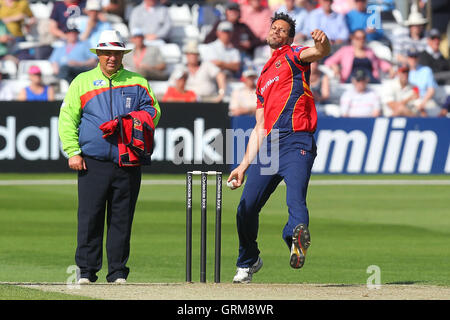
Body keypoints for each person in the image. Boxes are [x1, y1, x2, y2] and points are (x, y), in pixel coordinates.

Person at [227, 12, 331, 283]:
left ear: (289, 37)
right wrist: (242, 165)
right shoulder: (262, 78)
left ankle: (294, 238)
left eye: (282, 30)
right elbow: (260, 125)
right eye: (274, 28)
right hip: (270, 147)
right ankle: (249, 260)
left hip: (298, 139)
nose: (276, 31)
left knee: (295, 200)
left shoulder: (294, 55)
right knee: (245, 208)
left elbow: (319, 52)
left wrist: (323, 43)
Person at [58, 29, 161, 284]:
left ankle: (117, 272)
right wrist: (73, 151)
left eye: (116, 53)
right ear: (99, 54)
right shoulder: (82, 81)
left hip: (128, 159)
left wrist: (129, 122)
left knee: (122, 218)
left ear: (122, 54)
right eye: (107, 53)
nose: (111, 57)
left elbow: (154, 112)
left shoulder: (137, 81)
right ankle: (86, 270)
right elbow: (68, 118)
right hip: (92, 160)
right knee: (90, 217)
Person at [324, 29, 392, 83]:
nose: (361, 40)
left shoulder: (370, 51)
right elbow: (329, 61)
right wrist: (334, 66)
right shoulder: (345, 51)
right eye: (358, 38)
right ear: (353, 39)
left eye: (363, 38)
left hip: (370, 81)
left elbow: (380, 62)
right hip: (351, 81)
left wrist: (390, 68)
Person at [405, 47, 441, 117]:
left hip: (425, 100)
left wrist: (423, 103)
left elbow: (431, 90)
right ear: (408, 58)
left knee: (425, 110)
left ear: (418, 58)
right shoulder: (404, 71)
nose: (413, 59)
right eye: (411, 57)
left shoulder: (426, 70)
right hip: (410, 101)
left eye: (415, 57)